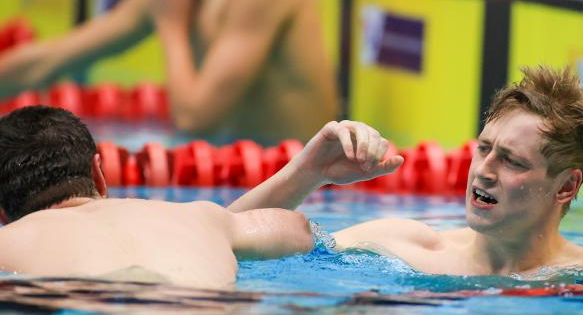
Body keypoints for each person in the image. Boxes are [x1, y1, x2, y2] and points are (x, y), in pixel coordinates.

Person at [0, 106, 402, 289]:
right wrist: (310, 173)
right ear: (98, 174)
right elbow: (295, 231)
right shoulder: (193, 219)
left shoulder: (8, 244)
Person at [329, 66, 583, 278]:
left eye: (512, 161)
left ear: (566, 186)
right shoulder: (404, 248)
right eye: (484, 148)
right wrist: (312, 173)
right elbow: (278, 241)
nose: (483, 172)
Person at [0, 0, 338, 142]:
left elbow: (195, 118)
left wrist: (171, 27)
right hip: (228, 174)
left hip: (315, 192)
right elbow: (50, 59)